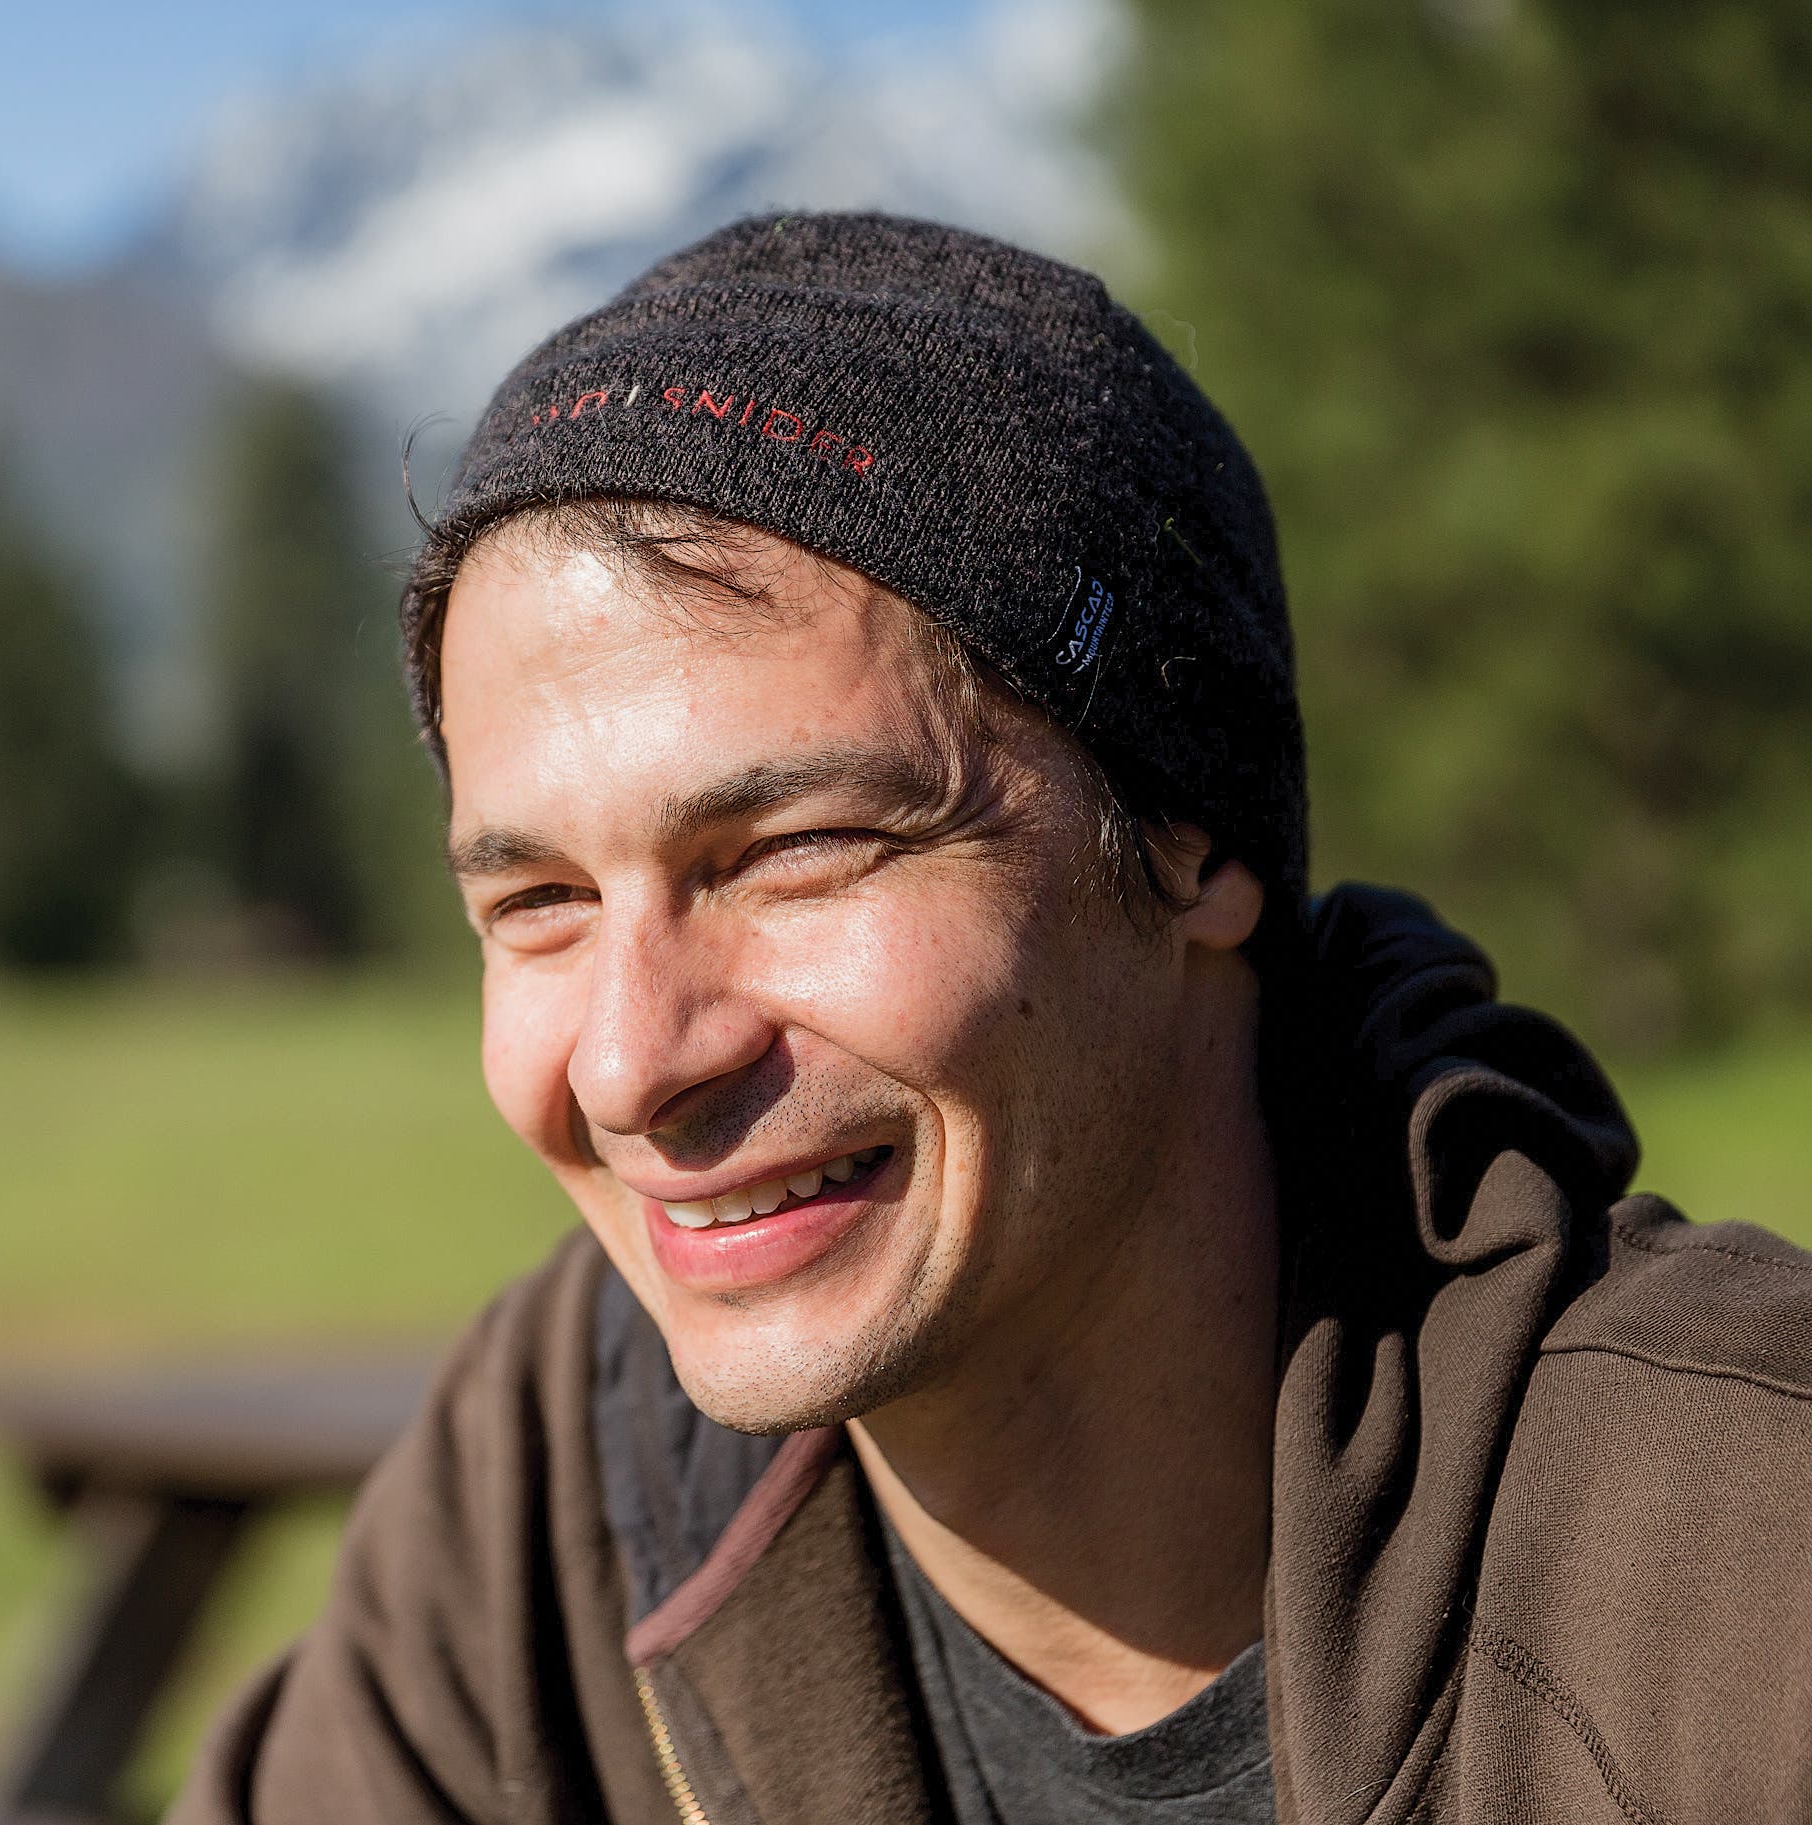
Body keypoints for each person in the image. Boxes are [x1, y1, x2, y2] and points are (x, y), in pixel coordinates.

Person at [169, 213, 1812, 1825]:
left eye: (795, 854)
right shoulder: (568, 1486)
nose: (625, 1060)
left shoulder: (1745, 1572)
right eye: (536, 903)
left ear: (1193, 838)